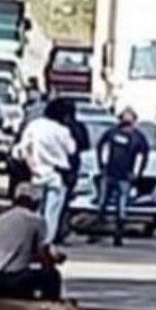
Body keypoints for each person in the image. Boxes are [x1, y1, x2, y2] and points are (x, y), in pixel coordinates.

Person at [0, 183, 64, 300]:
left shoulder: (2, 217)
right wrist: (55, 259)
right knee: (51, 276)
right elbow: (44, 253)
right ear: (35, 202)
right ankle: (50, 308)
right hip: (1, 279)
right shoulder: (35, 219)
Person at [16, 97, 76, 243]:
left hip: (37, 173)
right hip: (57, 174)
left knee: (35, 210)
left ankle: (32, 239)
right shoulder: (62, 131)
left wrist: (30, 164)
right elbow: (72, 150)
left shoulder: (34, 126)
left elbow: (22, 149)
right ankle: (46, 243)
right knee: (52, 213)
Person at [89, 108, 149, 247]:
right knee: (102, 204)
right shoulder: (112, 132)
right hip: (110, 173)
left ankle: (118, 235)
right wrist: (101, 165)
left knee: (120, 207)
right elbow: (100, 147)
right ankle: (97, 233)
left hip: (124, 176)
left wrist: (138, 172)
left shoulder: (137, 137)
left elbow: (144, 155)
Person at [57, 99, 90, 243]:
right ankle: (61, 230)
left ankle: (55, 231)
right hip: (72, 168)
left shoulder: (58, 127)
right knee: (64, 201)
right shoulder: (79, 127)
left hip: (58, 166)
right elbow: (85, 146)